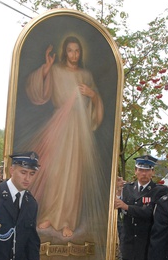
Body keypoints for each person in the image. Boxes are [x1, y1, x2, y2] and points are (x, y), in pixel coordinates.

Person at [24, 36, 106, 240]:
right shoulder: (57, 70)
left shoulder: (86, 74)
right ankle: (49, 216)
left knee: (73, 175)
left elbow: (96, 102)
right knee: (55, 170)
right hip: (59, 126)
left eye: (77, 51)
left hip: (78, 130)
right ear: (65, 52)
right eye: (70, 51)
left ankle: (68, 221)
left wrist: (92, 94)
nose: (74, 55)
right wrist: (46, 67)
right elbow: (37, 90)